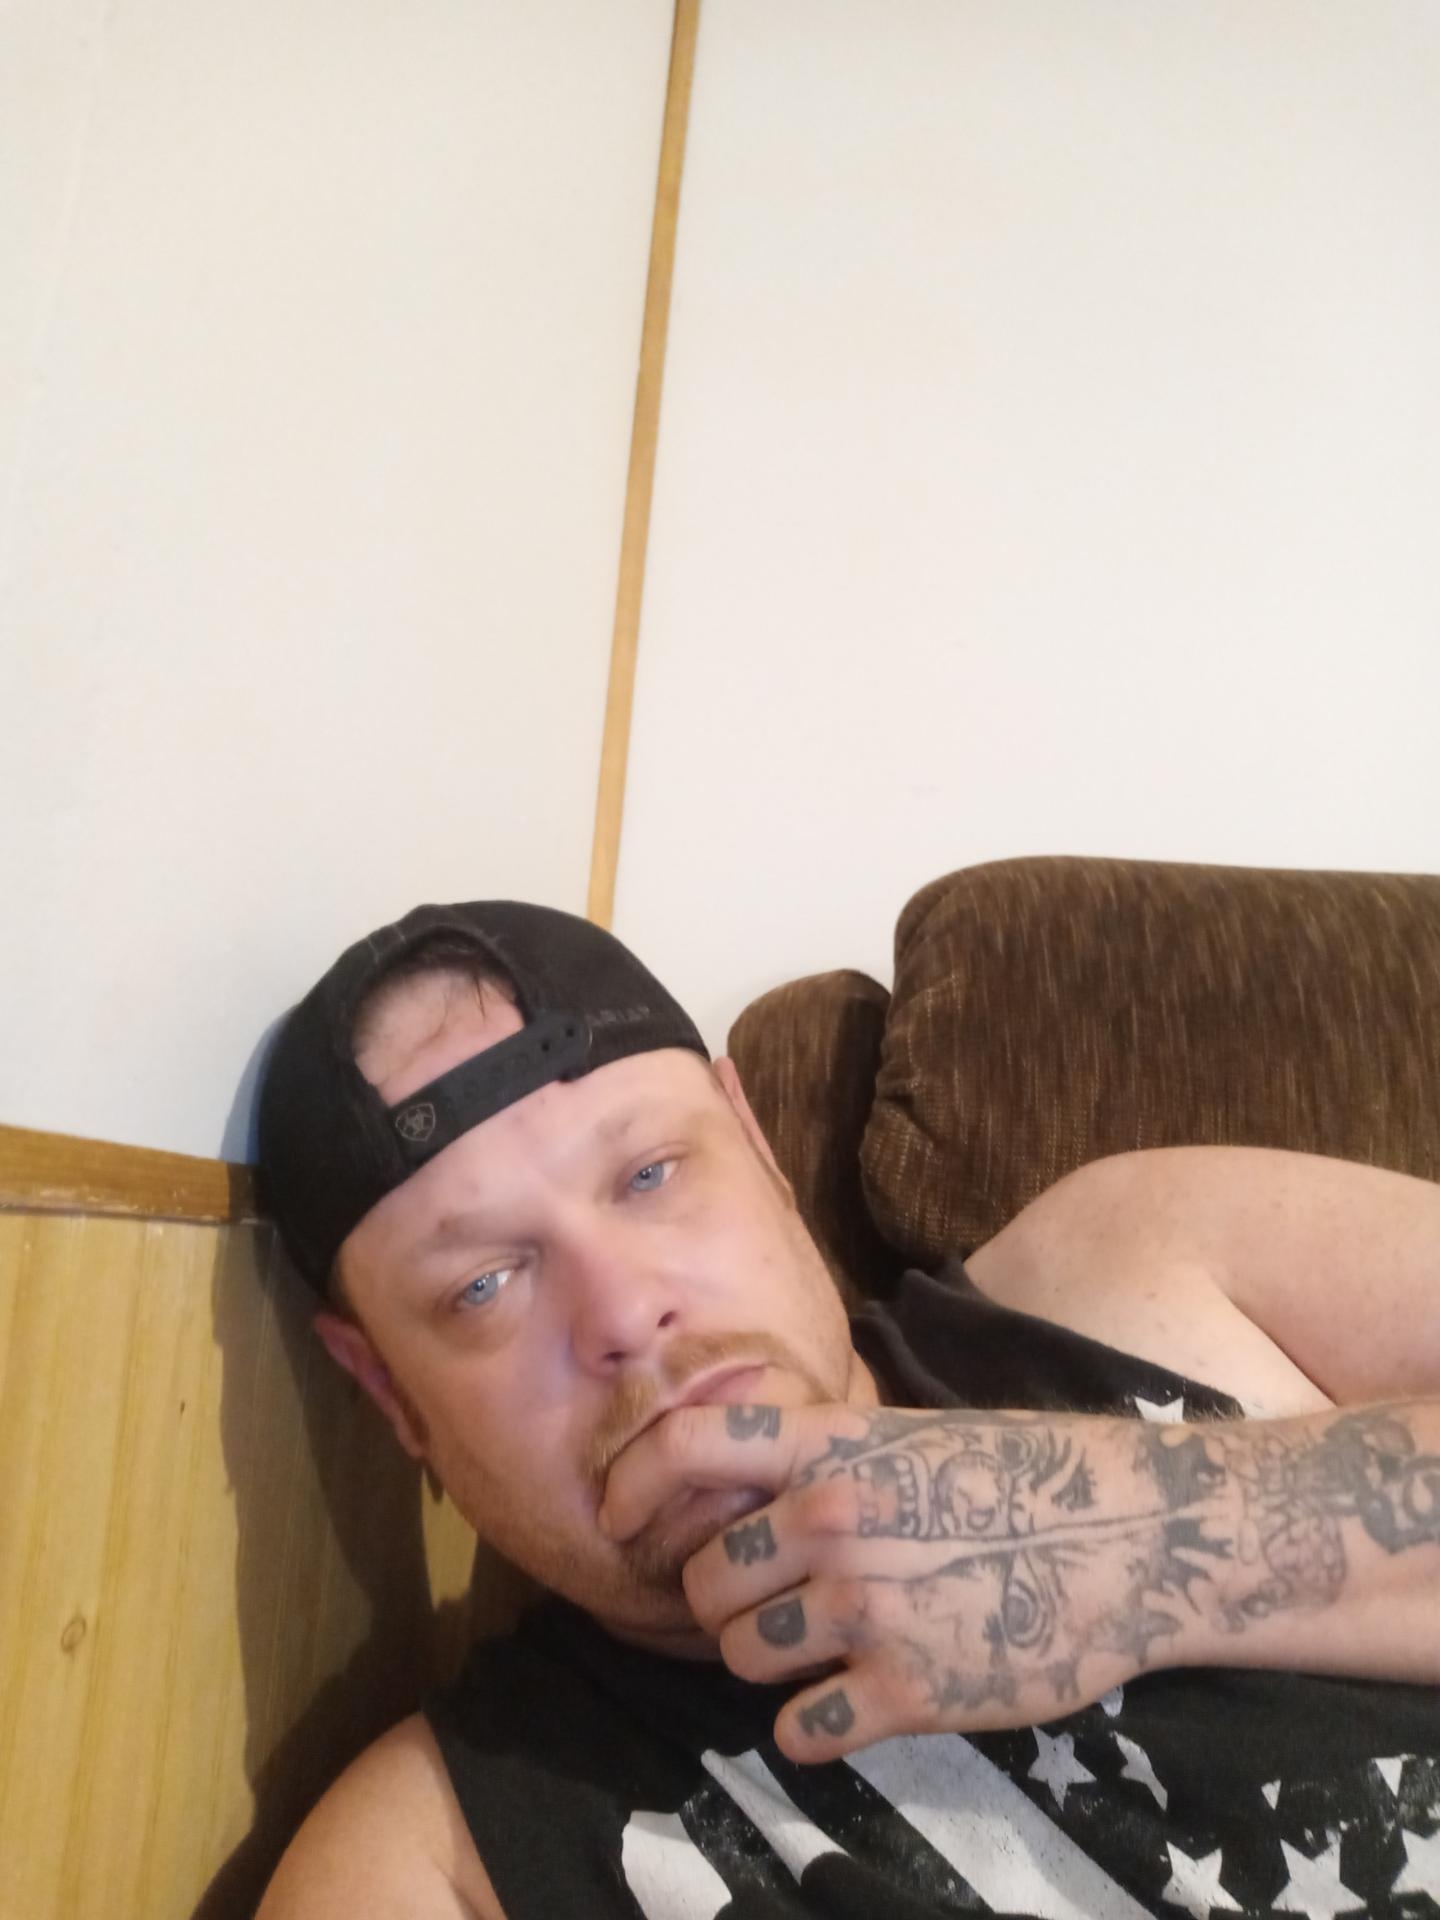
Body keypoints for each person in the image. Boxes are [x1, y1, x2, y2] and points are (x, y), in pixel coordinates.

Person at [254, 900, 1440, 1920]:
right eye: (483, 1283)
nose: (622, 1310)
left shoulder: (1139, 1256)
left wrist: (1149, 1532)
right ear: (389, 1393)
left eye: (651, 1174)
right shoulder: (434, 1861)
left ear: (758, 1145)